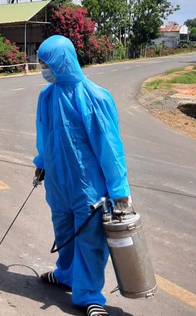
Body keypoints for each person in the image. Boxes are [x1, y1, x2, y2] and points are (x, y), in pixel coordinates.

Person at [33, 35, 132, 316]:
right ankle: (65, 274)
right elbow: (44, 135)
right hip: (57, 183)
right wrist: (41, 162)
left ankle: (89, 296)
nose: (43, 69)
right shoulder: (46, 96)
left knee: (90, 241)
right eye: (41, 64)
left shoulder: (94, 96)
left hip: (89, 188)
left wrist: (119, 190)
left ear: (61, 62)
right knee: (64, 233)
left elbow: (109, 148)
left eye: (45, 64)